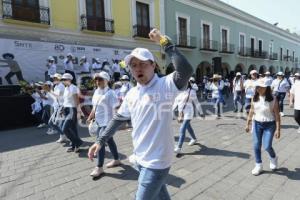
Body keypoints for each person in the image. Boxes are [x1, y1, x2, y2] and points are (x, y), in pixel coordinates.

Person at [88, 28, 193, 200]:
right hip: (139, 159)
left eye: (143, 64)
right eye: (133, 65)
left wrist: (164, 42)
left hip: (157, 162)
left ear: (153, 65)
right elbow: (117, 119)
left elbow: (186, 70)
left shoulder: (165, 85)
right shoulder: (132, 94)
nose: (138, 68)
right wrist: (100, 141)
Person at [87, 72, 121, 177]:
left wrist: (116, 124)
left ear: (107, 80)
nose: (98, 82)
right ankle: (117, 160)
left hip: (107, 123)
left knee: (99, 143)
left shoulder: (110, 93)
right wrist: (91, 116)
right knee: (110, 141)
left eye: (100, 79)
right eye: (96, 80)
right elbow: (94, 106)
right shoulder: (97, 92)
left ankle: (99, 167)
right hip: (98, 122)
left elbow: (116, 108)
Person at [245, 79, 281, 176]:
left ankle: (273, 158)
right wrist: (247, 123)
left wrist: (278, 129)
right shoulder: (254, 97)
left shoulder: (273, 98)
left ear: (266, 88)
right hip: (257, 124)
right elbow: (252, 111)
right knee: (256, 145)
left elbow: (277, 115)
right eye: (257, 87)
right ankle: (258, 165)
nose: (258, 89)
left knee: (267, 146)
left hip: (270, 124)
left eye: (261, 87)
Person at [173, 81, 201, 154]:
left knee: (182, 129)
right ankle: (194, 139)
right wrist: (171, 111)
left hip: (189, 113)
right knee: (188, 127)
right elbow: (176, 102)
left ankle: (179, 147)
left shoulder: (192, 92)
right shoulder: (179, 92)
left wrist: (200, 112)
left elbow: (196, 102)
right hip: (181, 114)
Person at [61, 73, 83, 152]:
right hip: (67, 109)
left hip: (72, 110)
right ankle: (74, 146)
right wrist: (63, 109)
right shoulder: (66, 88)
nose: (63, 81)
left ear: (70, 80)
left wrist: (79, 112)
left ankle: (78, 142)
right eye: (62, 80)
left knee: (64, 129)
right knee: (73, 129)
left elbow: (77, 101)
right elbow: (65, 101)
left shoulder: (73, 88)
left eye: (64, 79)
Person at [47, 73, 69, 142]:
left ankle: (65, 136)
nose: (53, 79)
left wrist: (49, 90)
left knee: (53, 123)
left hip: (62, 107)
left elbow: (57, 96)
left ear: (58, 79)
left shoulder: (61, 86)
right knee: (53, 123)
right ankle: (63, 136)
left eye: (54, 78)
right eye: (53, 78)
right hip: (58, 107)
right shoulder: (56, 86)